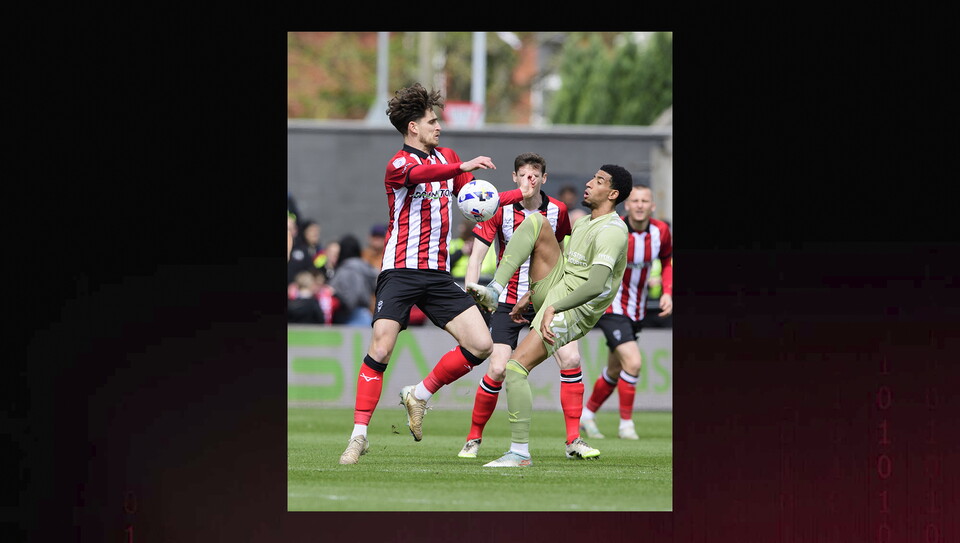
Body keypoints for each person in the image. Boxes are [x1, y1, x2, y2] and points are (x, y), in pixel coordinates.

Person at [338, 82, 523, 465]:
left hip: (438, 275)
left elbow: (479, 203)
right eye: (431, 121)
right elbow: (425, 177)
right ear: (413, 129)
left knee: (482, 345)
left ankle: (419, 394)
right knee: (382, 346)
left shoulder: (448, 157)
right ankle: (358, 437)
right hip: (400, 270)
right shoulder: (399, 165)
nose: (438, 127)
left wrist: (520, 194)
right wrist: (462, 166)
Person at [465, 164, 634, 467]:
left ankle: (519, 453)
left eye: (597, 181)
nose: (588, 183)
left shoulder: (613, 232)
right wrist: (531, 296)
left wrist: (553, 307)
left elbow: (595, 285)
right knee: (536, 224)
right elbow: (567, 268)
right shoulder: (583, 224)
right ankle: (496, 288)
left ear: (612, 193)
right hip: (555, 288)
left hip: (575, 309)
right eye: (591, 177)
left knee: (515, 368)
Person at [456, 152, 590, 460]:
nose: (528, 181)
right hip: (506, 301)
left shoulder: (557, 210)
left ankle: (573, 441)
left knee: (570, 359)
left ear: (543, 179)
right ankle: (474, 437)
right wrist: (473, 298)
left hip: (548, 301)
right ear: (514, 178)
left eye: (535, 176)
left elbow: (560, 253)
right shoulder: (497, 210)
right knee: (499, 368)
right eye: (523, 176)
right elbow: (476, 257)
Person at [580, 184, 673, 440]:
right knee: (633, 362)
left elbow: (667, 261)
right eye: (635, 201)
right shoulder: (615, 230)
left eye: (645, 200)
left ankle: (587, 415)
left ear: (652, 206)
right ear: (627, 205)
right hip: (611, 306)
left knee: (613, 370)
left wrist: (667, 291)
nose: (640, 205)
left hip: (637, 311)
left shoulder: (661, 232)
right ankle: (626, 425)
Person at [328, 234, 378, 326]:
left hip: (351, 318)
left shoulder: (347, 270)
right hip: (366, 316)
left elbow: (351, 299)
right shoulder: (366, 267)